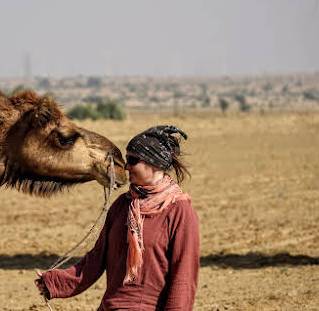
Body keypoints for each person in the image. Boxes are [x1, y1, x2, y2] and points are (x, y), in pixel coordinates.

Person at [35, 125, 199, 311]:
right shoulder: (122, 205)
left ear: (153, 163)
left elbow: (184, 277)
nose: (126, 166)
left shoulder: (179, 210)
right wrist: (55, 283)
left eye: (132, 160)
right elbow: (96, 259)